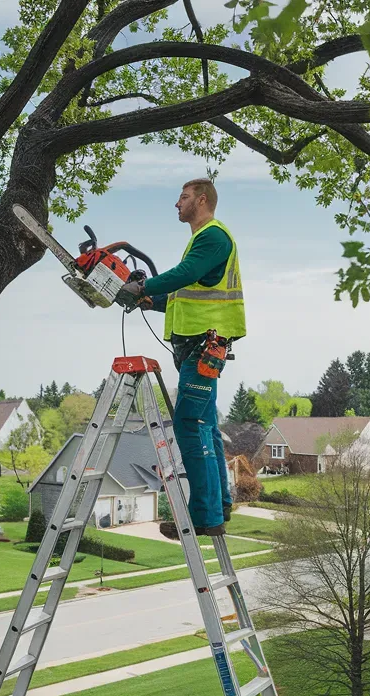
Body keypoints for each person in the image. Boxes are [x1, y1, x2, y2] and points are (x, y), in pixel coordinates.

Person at [115, 178, 245, 538]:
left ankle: (203, 517)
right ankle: (218, 507)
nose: (177, 203)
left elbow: (183, 275)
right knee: (205, 429)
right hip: (200, 348)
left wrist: (143, 286)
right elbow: (183, 292)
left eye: (183, 197)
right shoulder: (200, 243)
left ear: (201, 201)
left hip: (204, 348)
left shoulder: (213, 237)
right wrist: (147, 298)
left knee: (189, 426)